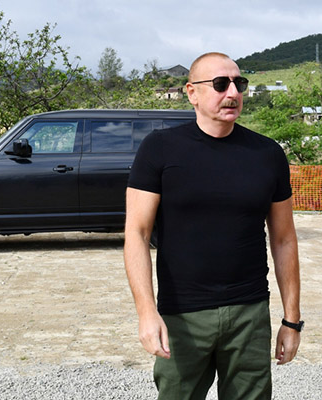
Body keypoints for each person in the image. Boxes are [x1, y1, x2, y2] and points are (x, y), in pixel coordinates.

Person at [123, 52, 302, 399]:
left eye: (239, 83)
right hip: (182, 315)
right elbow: (137, 234)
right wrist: (146, 313)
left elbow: (284, 239)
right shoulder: (159, 149)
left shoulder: (267, 154)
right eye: (220, 84)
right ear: (192, 92)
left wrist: (291, 320)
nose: (232, 93)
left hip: (249, 313)